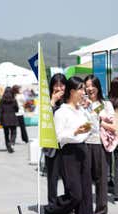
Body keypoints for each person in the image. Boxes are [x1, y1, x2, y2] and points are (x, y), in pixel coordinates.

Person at [43, 76, 95, 214]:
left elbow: (92, 128)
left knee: (86, 193)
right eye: (80, 89)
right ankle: (51, 210)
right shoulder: (62, 112)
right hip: (68, 154)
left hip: (83, 150)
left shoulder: (81, 110)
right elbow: (57, 137)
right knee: (75, 194)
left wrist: (87, 124)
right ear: (72, 91)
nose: (83, 92)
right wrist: (75, 132)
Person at [84, 75, 116, 214]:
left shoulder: (105, 104)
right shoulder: (82, 103)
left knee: (101, 179)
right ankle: (85, 209)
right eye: (87, 86)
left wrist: (97, 114)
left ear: (98, 87)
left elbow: (113, 126)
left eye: (92, 85)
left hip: (100, 144)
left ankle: (101, 212)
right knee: (85, 178)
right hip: (84, 143)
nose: (89, 88)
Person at [46, 73, 67, 205]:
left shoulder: (70, 100)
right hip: (52, 146)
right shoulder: (47, 101)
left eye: (62, 85)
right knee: (52, 178)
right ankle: (52, 205)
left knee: (68, 178)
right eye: (56, 85)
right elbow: (45, 119)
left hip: (67, 145)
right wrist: (52, 101)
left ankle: (68, 204)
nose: (59, 88)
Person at [0, 87, 18, 153]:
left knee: (6, 133)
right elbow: (17, 109)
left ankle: (8, 145)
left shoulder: (2, 100)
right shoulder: (14, 100)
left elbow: (0, 110)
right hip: (12, 118)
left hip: (4, 119)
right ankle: (12, 142)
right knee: (14, 132)